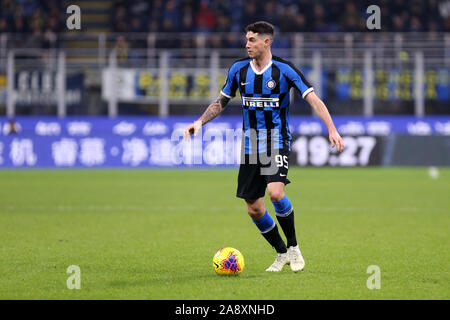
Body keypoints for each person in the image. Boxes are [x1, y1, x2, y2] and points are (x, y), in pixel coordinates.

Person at [184, 21, 344, 272]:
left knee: (275, 193)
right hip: (250, 146)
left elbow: (313, 98)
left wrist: (332, 128)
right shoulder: (238, 70)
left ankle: (293, 248)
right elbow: (221, 102)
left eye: (252, 40)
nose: (247, 44)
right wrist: (200, 122)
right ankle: (281, 253)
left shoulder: (285, 70)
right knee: (254, 208)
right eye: (246, 39)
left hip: (276, 141)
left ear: (266, 41)